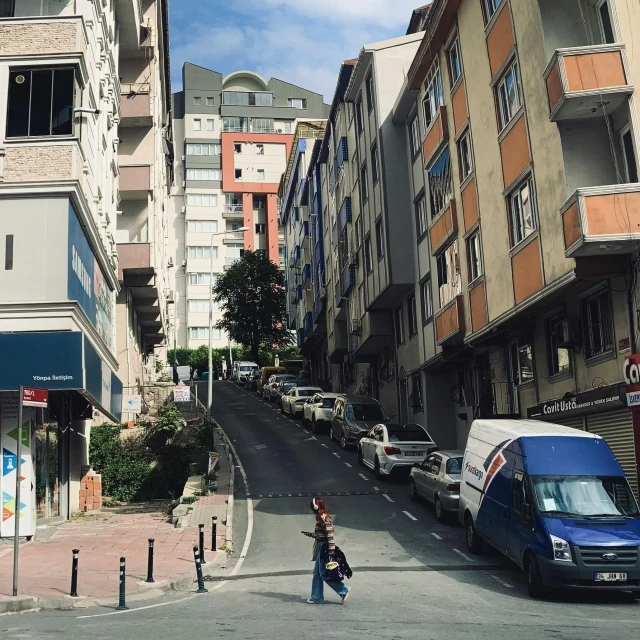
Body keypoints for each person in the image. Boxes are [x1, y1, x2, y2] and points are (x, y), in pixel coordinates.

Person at [302, 497, 351, 604]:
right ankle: (316, 597)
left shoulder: (323, 518)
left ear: (316, 507)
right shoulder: (321, 517)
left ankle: (343, 589)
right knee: (317, 573)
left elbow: (329, 534)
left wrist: (331, 550)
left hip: (325, 547)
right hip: (322, 546)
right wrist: (311, 534)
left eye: (312, 507)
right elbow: (322, 534)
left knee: (323, 573)